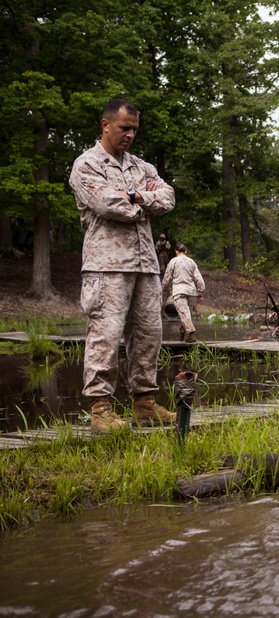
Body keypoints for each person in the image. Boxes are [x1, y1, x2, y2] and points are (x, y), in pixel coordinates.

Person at [69, 98, 176, 434]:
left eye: (134, 129)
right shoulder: (87, 165)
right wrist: (142, 199)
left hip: (146, 266)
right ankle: (101, 408)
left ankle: (144, 403)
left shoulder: (141, 166)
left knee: (148, 335)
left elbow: (168, 197)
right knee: (105, 335)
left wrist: (137, 196)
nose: (130, 134)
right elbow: (105, 203)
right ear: (105, 124)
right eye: (124, 128)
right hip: (106, 266)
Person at [161, 244, 205, 343]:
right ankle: (182, 332)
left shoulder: (173, 261)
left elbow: (167, 277)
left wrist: (165, 289)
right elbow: (198, 278)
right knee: (186, 314)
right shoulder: (191, 262)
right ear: (186, 251)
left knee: (184, 313)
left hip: (179, 290)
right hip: (191, 292)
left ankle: (191, 333)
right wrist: (201, 291)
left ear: (176, 251)